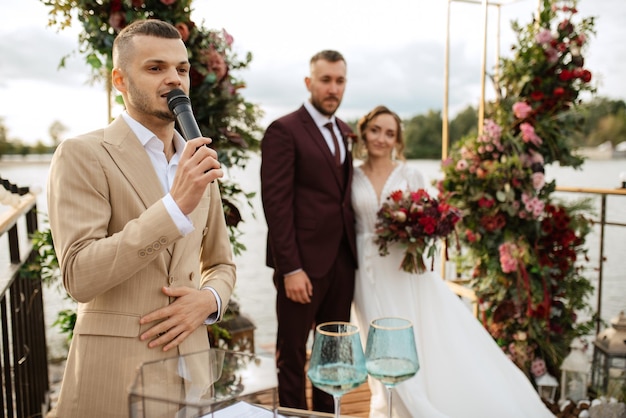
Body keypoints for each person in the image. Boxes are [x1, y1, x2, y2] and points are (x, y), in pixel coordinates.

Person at [46, 19, 236, 418]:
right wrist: (173, 208)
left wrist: (208, 299)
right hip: (115, 378)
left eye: (181, 69)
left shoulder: (197, 159)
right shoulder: (82, 154)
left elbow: (220, 263)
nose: (174, 80)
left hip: (194, 376)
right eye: (155, 68)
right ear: (119, 80)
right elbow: (79, 275)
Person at [351, 105, 555, 418]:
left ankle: (417, 402)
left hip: (404, 269)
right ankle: (385, 405)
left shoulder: (410, 174)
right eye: (375, 130)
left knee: (413, 335)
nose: (381, 138)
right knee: (373, 338)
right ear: (364, 131)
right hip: (364, 271)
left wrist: (417, 232)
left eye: (389, 133)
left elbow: (429, 217)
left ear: (397, 139)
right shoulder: (351, 174)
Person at [260, 49, 358, 413]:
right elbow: (277, 205)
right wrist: (291, 268)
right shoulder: (284, 131)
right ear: (309, 83)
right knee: (292, 353)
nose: (333, 88)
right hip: (300, 266)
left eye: (340, 80)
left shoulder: (346, 131)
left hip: (342, 263)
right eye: (326, 80)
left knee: (331, 355)